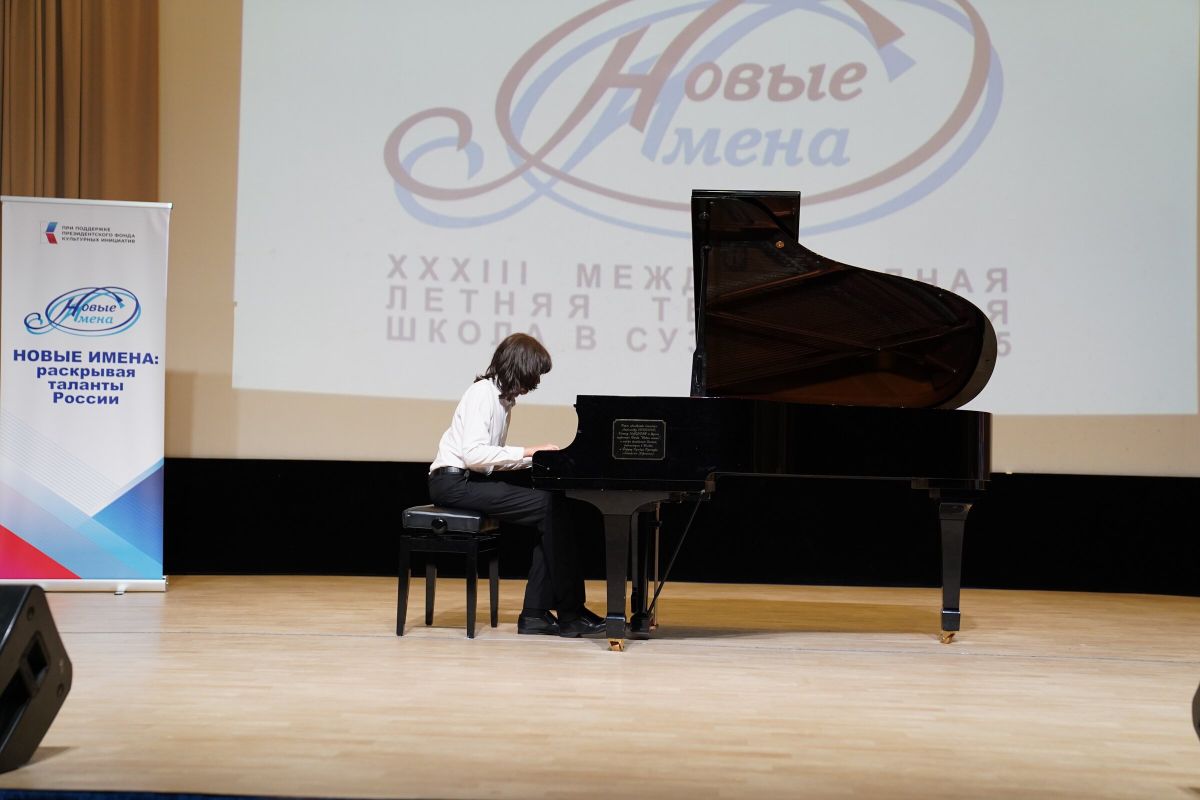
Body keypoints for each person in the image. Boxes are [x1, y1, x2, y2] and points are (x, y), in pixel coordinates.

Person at [427, 332, 604, 637]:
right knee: (550, 506)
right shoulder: (482, 394)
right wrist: (530, 452)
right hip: (453, 483)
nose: (536, 383)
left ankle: (538, 613)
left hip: (469, 480)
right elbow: (474, 455)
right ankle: (568, 613)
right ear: (520, 367)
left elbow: (490, 460)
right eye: (535, 374)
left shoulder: (502, 400)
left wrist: (538, 459)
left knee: (553, 508)